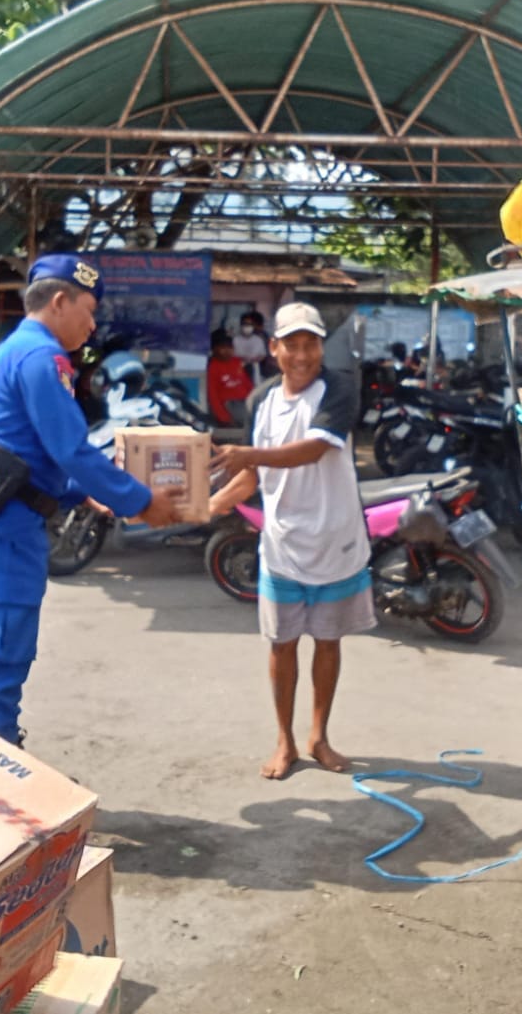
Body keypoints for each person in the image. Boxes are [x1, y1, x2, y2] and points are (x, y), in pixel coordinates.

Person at [0, 254, 178, 746]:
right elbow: (69, 447)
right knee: (0, 655)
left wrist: (86, 495)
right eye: (88, 311)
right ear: (59, 301)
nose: (92, 326)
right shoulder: (41, 358)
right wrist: (140, 501)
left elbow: (28, 451)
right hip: (1, 522)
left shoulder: (14, 351)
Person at [210, 302, 374, 780]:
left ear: (321, 347)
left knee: (328, 641)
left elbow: (315, 448)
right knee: (281, 644)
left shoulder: (339, 388)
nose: (302, 355)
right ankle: (285, 740)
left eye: (312, 344)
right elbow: (251, 477)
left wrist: (247, 454)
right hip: (281, 544)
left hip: (337, 543)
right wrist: (206, 507)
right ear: (274, 348)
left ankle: (319, 736)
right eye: (293, 345)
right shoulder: (260, 400)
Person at [206, 330, 253, 428]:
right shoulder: (213, 367)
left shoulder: (236, 362)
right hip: (230, 404)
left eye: (230, 347)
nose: (227, 350)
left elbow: (247, 384)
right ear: (214, 349)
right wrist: (224, 418)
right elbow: (213, 396)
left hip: (246, 401)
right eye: (223, 347)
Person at [234, 309, 270, 380]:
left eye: (250, 324)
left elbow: (263, 355)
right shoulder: (235, 340)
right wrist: (242, 359)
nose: (247, 326)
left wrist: (255, 359)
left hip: (255, 369)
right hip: (237, 369)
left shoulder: (258, 340)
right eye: (245, 324)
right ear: (241, 325)